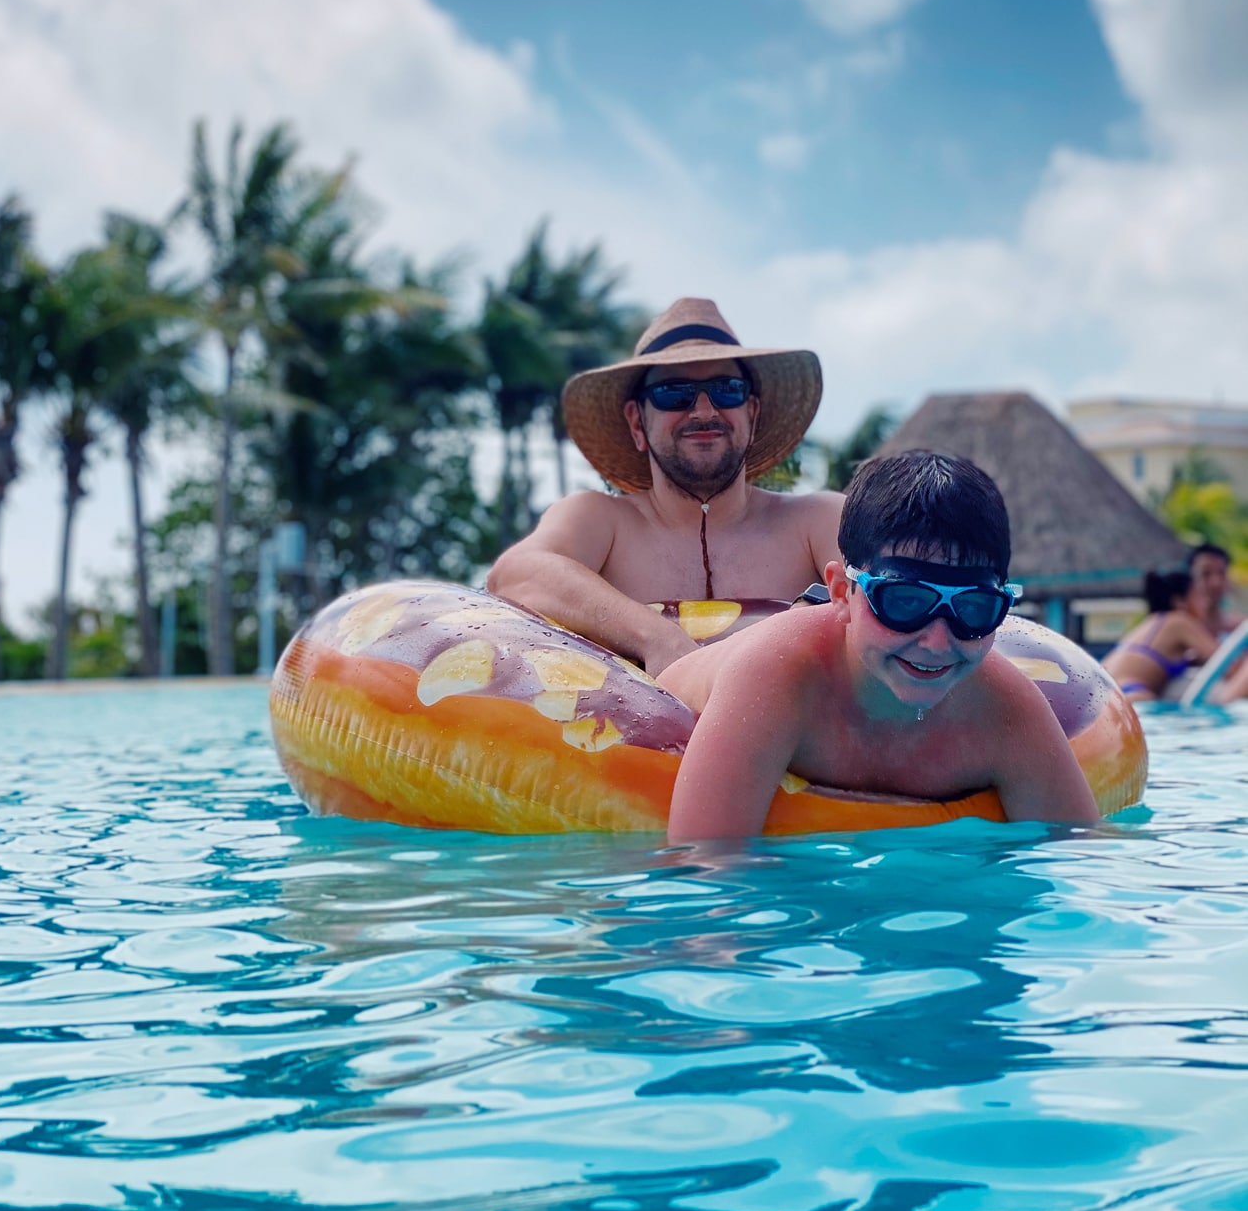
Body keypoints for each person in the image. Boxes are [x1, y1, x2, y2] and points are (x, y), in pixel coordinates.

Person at [657, 450, 1100, 840]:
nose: (937, 640)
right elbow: (704, 873)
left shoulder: (1006, 712)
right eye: (904, 602)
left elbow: (1077, 871)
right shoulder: (775, 677)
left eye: (974, 609)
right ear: (839, 592)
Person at [486, 298, 843, 675]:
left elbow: (883, 591)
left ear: (751, 414)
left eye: (726, 390)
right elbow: (514, 574)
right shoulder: (602, 519)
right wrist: (656, 637)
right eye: (674, 393)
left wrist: (802, 618)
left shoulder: (816, 519)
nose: (704, 411)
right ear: (637, 422)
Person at [1101, 568, 1219, 702]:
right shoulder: (1180, 621)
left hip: (1104, 689)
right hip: (1132, 692)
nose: (1206, 602)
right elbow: (1226, 660)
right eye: (1199, 596)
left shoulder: (1152, 621)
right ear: (1179, 601)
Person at [1186, 543, 1243, 640]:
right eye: (1205, 573)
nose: (1215, 583)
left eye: (1222, 573)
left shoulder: (1241, 628)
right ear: (1190, 578)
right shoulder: (1179, 628)